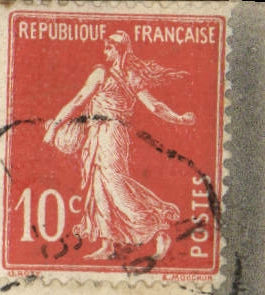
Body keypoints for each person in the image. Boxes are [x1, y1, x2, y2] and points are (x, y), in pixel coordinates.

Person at [43, 31, 196, 260]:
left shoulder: (107, 74)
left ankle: (158, 229)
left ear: (118, 49)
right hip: (98, 134)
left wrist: (54, 129)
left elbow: (77, 103)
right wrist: (180, 119)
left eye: (108, 48)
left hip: (112, 134)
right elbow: (154, 107)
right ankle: (107, 245)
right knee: (98, 187)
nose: (105, 52)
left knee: (116, 185)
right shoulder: (124, 74)